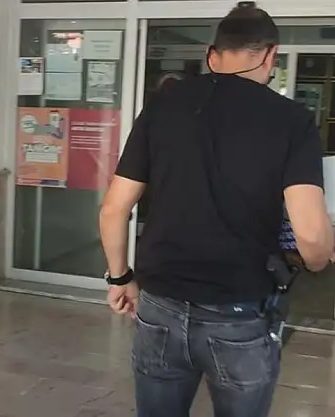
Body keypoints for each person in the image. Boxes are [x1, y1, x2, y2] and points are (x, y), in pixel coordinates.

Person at [99, 3, 334, 417]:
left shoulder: (163, 106)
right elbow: (312, 236)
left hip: (161, 305)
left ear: (212, 55)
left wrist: (120, 277)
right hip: (241, 312)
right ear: (271, 55)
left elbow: (113, 209)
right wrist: (317, 262)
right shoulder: (291, 120)